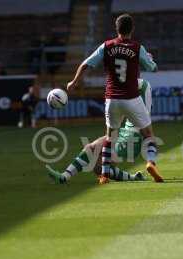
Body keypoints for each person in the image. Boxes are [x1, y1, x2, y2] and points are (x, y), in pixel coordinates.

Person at [67, 14, 163, 184]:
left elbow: (85, 64)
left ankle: (104, 175)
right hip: (131, 98)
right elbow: (153, 68)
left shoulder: (107, 46)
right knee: (148, 134)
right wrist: (150, 59)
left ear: (116, 29)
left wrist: (74, 82)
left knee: (109, 137)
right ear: (132, 29)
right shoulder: (136, 47)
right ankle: (151, 162)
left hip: (112, 99)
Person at [46, 79, 152, 184]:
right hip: (122, 133)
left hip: (132, 139)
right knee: (90, 150)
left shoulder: (140, 87)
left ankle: (134, 177)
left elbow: (142, 85)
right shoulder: (127, 93)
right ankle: (63, 177)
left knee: (98, 167)